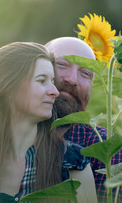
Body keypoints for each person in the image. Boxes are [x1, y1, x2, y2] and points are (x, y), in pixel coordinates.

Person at [0, 42, 97, 203]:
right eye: (42, 81)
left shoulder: (72, 165)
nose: (54, 91)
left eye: (53, 81)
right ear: (7, 86)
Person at [46, 36, 122, 202]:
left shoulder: (107, 147)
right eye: (62, 64)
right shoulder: (2, 138)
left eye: (86, 73)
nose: (72, 79)